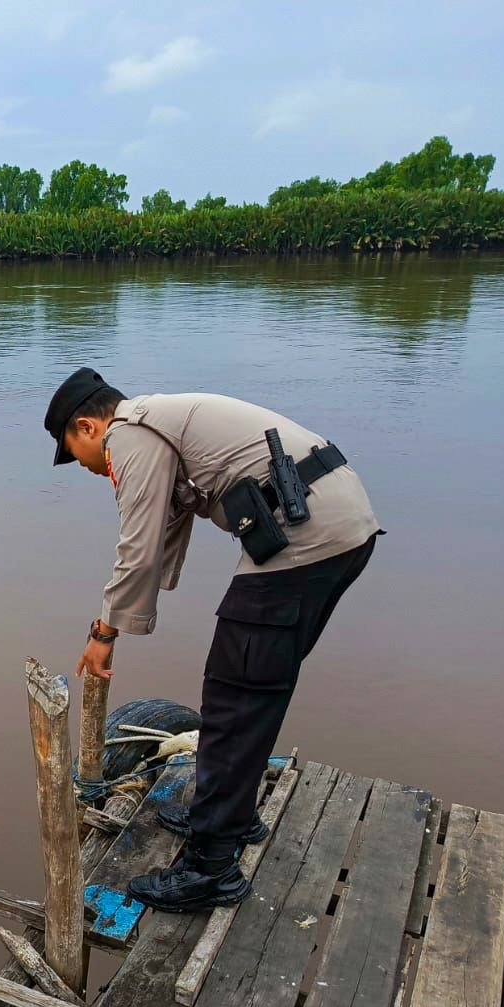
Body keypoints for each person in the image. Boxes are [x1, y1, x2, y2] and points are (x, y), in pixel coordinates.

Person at [45, 368, 379, 912]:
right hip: (340, 529)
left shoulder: (129, 433)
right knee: (255, 690)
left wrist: (103, 633)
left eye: (73, 452)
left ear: (88, 426)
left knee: (233, 698)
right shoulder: (159, 420)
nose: (83, 465)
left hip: (306, 540)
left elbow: (138, 545)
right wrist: (130, 613)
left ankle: (210, 868)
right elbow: (166, 529)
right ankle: (230, 816)